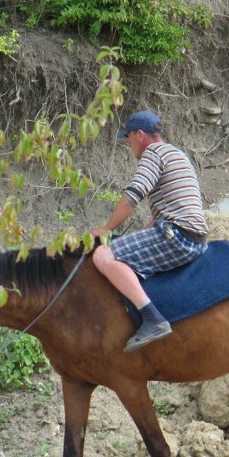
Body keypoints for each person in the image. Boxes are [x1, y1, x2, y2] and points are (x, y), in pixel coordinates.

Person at [91, 110, 209, 353]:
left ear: (140, 134)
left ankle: (152, 318)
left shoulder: (153, 153)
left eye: (129, 137)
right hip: (194, 236)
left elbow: (133, 196)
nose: (129, 143)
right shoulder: (179, 155)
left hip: (176, 235)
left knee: (102, 256)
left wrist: (106, 229)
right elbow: (167, 211)